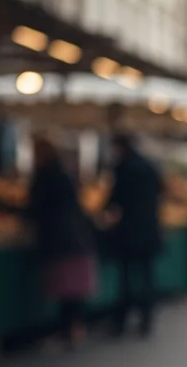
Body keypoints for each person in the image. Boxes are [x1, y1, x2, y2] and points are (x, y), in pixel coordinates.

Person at [26, 135, 98, 351]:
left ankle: (68, 329)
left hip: (60, 238)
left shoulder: (46, 175)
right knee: (73, 287)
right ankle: (75, 328)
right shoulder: (64, 174)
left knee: (65, 285)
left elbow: (36, 206)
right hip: (74, 236)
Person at [106, 133, 163, 337]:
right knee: (147, 276)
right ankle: (146, 319)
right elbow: (160, 192)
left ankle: (121, 320)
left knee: (126, 278)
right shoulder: (150, 166)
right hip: (149, 229)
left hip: (129, 231)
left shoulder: (123, 167)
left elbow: (114, 199)